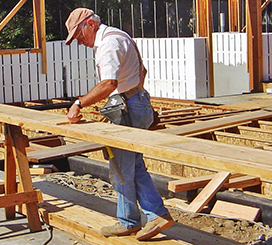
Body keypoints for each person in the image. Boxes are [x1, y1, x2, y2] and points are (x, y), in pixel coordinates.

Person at [63, 8, 174, 241]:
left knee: (122, 168)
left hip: (130, 107)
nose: (80, 41)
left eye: (79, 35)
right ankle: (142, 217)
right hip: (135, 102)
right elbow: (141, 71)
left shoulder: (108, 45)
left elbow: (108, 84)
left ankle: (144, 217)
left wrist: (78, 104)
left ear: (90, 24)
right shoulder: (119, 35)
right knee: (132, 164)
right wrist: (135, 94)